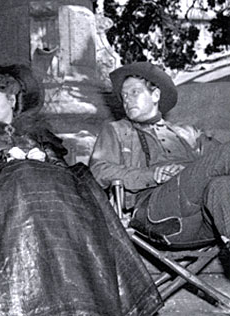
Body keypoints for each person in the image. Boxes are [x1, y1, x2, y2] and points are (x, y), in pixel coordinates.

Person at [0, 64, 162, 316]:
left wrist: (43, 160)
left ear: (12, 100)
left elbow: (66, 180)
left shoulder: (42, 137)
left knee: (57, 181)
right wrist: (2, 164)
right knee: (20, 176)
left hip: (52, 217)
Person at [90, 61, 230, 251]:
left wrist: (190, 173)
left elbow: (218, 161)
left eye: (134, 92)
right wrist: (151, 175)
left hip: (205, 219)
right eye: (124, 96)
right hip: (156, 213)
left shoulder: (187, 132)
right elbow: (99, 170)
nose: (127, 100)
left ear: (155, 95)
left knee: (221, 186)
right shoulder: (117, 130)